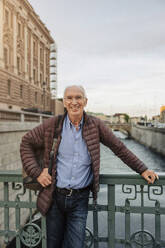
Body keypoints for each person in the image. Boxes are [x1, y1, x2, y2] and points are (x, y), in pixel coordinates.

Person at [20, 85, 158, 248]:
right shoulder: (53, 125)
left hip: (80, 199)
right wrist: (37, 173)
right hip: (54, 197)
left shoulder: (96, 125)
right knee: (53, 244)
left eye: (78, 97)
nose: (74, 102)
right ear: (64, 102)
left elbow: (119, 148)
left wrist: (142, 169)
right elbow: (26, 142)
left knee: (76, 245)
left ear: (85, 101)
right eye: (69, 98)